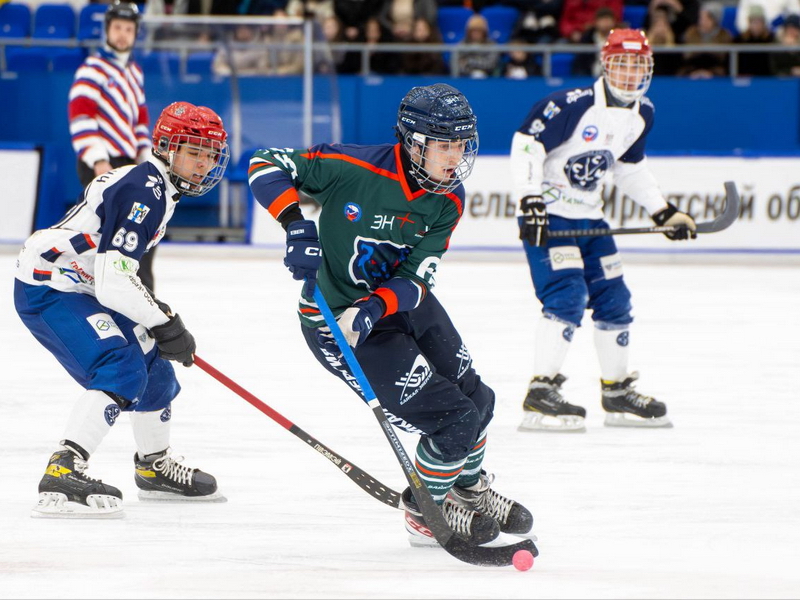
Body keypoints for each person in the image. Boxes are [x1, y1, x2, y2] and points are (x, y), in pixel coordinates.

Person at [248, 83, 534, 549]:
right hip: (337, 323)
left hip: (396, 307)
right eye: (444, 145)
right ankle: (424, 511)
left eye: (462, 144)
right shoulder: (353, 167)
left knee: (479, 401)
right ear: (414, 142)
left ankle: (466, 488)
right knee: (453, 419)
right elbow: (265, 163)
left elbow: (417, 277)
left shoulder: (449, 198)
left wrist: (375, 305)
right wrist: (295, 224)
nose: (456, 157)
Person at [14, 101, 231, 518]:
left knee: (154, 361)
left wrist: (157, 323)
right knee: (121, 363)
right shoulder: (143, 191)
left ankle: (154, 467)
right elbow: (115, 279)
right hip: (51, 286)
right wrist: (165, 321)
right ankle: (63, 469)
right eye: (194, 151)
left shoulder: (157, 185)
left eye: (210, 154)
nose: (203, 164)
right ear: (166, 147)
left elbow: (114, 273)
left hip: (84, 282)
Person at [509, 29, 697, 433]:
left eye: (637, 65)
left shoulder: (642, 113)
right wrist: (529, 201)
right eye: (621, 64)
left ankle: (616, 391)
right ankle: (540, 390)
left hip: (591, 221)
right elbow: (527, 145)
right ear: (606, 65)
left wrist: (663, 211)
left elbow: (628, 168)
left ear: (648, 69)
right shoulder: (571, 105)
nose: (629, 74)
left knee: (615, 299)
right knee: (567, 295)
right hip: (550, 218)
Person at [68, 1, 157, 293]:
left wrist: (146, 157)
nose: (122, 34)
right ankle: (102, 292)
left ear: (135, 33)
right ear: (107, 29)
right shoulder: (92, 68)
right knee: (107, 232)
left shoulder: (134, 71)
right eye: (117, 27)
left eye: (128, 29)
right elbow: (81, 117)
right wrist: (98, 160)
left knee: (142, 227)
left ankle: (141, 292)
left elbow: (140, 120)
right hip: (102, 163)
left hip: (129, 162)